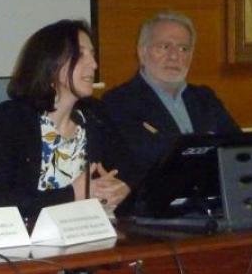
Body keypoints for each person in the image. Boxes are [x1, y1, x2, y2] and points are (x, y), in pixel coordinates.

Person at [0, 19, 130, 222]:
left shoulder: (95, 115)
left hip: (93, 235)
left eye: (92, 54)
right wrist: (73, 194)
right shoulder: (11, 119)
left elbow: (131, 169)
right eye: (81, 54)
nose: (94, 64)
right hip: (32, 242)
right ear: (51, 63)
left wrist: (123, 188)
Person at [99, 11, 240, 186]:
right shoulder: (118, 103)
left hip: (212, 203)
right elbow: (133, 168)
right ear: (142, 52)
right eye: (164, 47)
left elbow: (238, 150)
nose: (174, 56)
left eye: (183, 49)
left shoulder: (205, 99)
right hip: (153, 208)